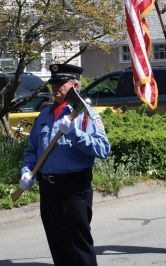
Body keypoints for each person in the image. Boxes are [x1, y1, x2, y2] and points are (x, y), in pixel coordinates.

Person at [19, 63, 111, 266]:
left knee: (79, 245)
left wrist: (75, 134)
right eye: (54, 83)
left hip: (74, 188)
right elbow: (32, 150)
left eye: (61, 82)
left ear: (75, 86)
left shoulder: (86, 114)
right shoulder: (44, 115)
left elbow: (103, 149)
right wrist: (27, 172)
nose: (56, 87)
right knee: (57, 242)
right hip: (48, 188)